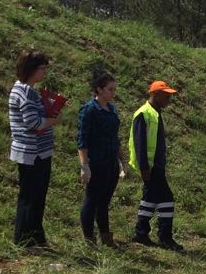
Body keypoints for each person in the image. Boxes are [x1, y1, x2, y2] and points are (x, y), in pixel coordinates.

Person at [7, 48, 60, 248]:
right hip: (31, 153)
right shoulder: (25, 91)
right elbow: (33, 122)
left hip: (38, 152)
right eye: (43, 68)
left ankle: (36, 236)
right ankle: (24, 240)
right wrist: (52, 120)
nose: (45, 72)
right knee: (30, 197)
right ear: (32, 68)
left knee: (38, 196)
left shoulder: (26, 89)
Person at [129, 80, 183, 251]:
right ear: (156, 94)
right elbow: (140, 144)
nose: (169, 99)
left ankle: (141, 232)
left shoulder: (155, 112)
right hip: (151, 167)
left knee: (150, 199)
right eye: (166, 96)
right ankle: (164, 237)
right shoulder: (144, 113)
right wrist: (145, 168)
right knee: (167, 199)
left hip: (156, 166)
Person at [77, 68, 122, 247]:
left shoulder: (111, 109)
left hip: (110, 162)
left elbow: (114, 137)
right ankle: (89, 239)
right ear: (99, 89)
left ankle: (106, 238)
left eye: (114, 89)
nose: (113, 93)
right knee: (92, 199)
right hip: (96, 162)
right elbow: (82, 139)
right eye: (110, 89)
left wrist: (122, 161)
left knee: (104, 201)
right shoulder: (89, 110)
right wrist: (84, 165)